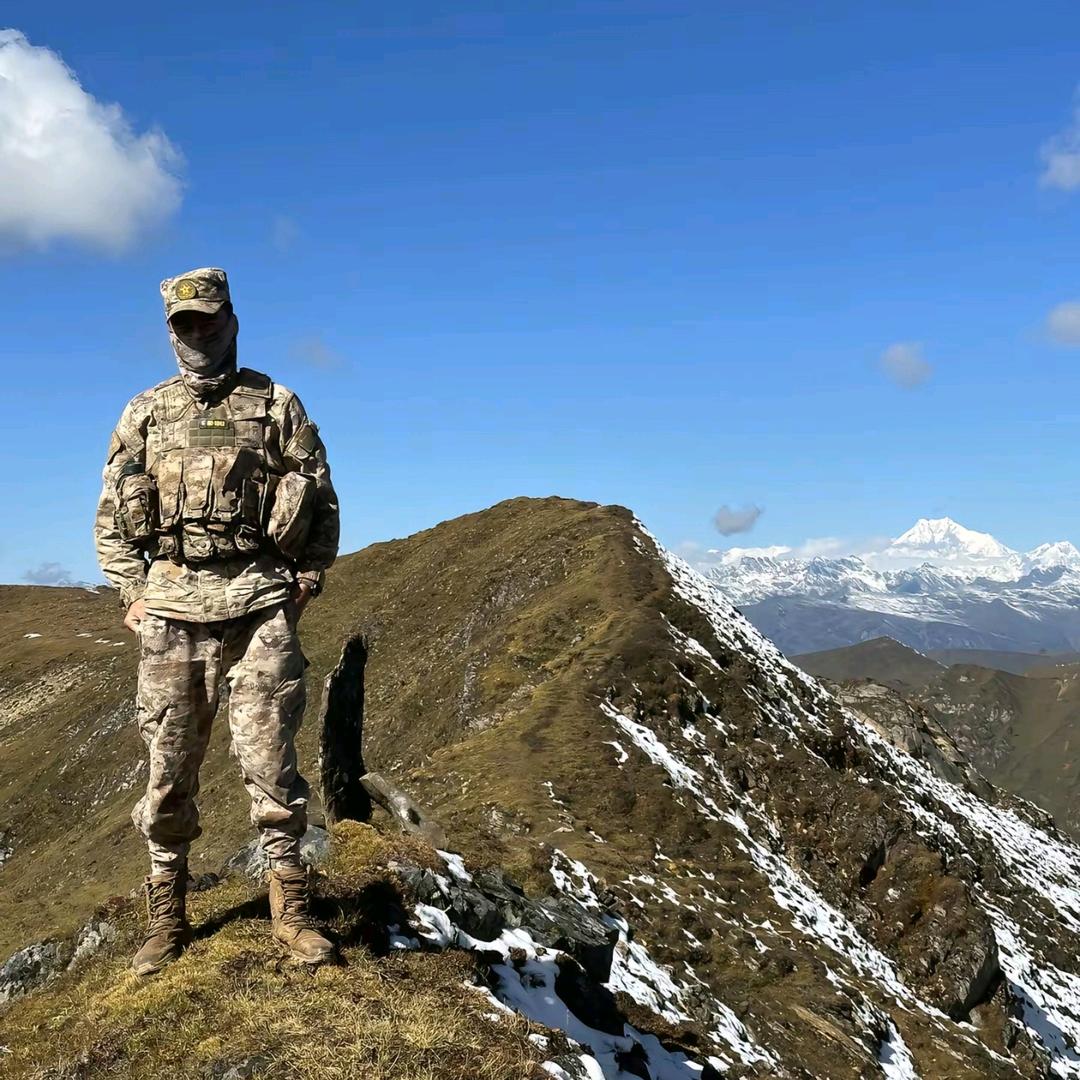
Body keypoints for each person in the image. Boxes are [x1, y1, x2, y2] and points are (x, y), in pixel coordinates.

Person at [94, 267, 340, 976]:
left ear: (231, 318)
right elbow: (111, 515)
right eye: (184, 323)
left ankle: (292, 915)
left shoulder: (276, 402)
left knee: (271, 765)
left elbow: (319, 495)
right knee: (169, 770)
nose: (197, 333)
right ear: (171, 330)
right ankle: (166, 920)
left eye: (208, 319)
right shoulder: (143, 412)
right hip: (171, 610)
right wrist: (132, 594)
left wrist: (308, 576)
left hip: (259, 606)